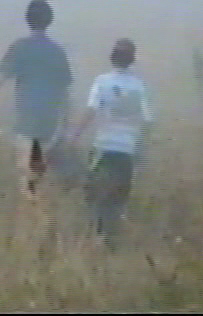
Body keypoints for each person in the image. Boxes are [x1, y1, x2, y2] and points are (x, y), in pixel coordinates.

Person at [69, 38, 153, 250]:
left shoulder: (102, 82)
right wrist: (142, 147)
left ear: (112, 58)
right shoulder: (139, 86)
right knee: (118, 198)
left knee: (94, 194)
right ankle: (111, 239)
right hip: (126, 150)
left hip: (103, 148)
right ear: (131, 60)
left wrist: (74, 137)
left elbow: (91, 111)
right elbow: (147, 121)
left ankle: (97, 235)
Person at [0, 0, 73, 199]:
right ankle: (41, 208)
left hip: (26, 120)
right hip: (50, 121)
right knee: (42, 173)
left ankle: (30, 210)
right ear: (49, 20)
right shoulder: (57, 51)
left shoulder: (20, 47)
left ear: (27, 19)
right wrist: (67, 124)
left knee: (25, 174)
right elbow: (65, 91)